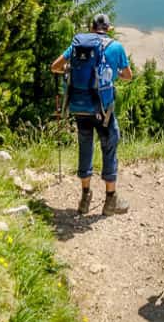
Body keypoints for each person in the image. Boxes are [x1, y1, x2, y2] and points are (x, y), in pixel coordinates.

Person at [51, 12, 132, 216]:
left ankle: (85, 199)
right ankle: (110, 201)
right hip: (103, 109)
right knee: (110, 145)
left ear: (91, 27)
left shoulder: (78, 46)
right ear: (109, 28)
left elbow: (55, 67)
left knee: (85, 146)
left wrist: (70, 70)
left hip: (80, 106)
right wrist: (114, 73)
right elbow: (128, 76)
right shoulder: (115, 47)